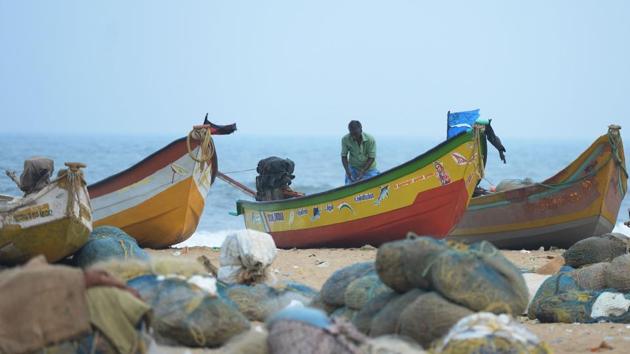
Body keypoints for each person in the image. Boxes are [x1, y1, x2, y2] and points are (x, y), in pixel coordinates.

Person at [341, 120, 379, 184]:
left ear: (361, 130)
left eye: (355, 133)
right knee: (349, 186)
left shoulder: (370, 139)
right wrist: (347, 171)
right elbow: (344, 156)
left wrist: (363, 171)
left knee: (374, 184)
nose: (354, 136)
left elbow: (372, 157)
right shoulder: (345, 139)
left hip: (369, 169)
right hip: (353, 168)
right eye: (351, 134)